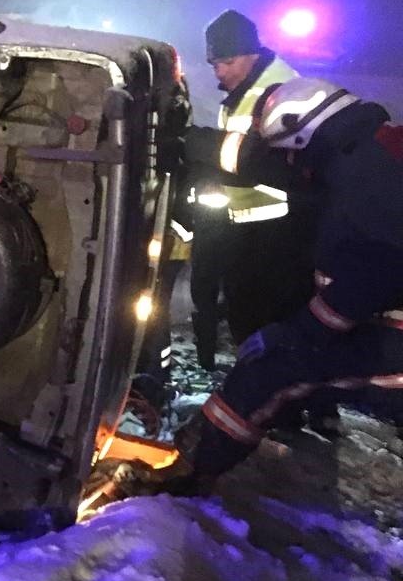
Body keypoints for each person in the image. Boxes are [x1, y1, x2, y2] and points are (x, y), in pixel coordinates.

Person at [106, 77, 403, 499]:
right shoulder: (362, 148)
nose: (292, 162)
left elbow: (376, 270)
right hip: (379, 316)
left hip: (390, 330)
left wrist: (301, 333)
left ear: (304, 129)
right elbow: (274, 165)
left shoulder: (367, 176)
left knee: (274, 368)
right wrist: (190, 142)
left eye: (292, 150)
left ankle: (188, 474)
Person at [188, 9, 308, 369]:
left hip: (277, 235)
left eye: (224, 62)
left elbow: (253, 158)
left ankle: (275, 400)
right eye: (213, 65)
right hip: (247, 229)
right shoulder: (246, 88)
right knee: (246, 310)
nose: (218, 72)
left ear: (248, 54)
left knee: (263, 316)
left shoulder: (279, 92)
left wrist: (194, 145)